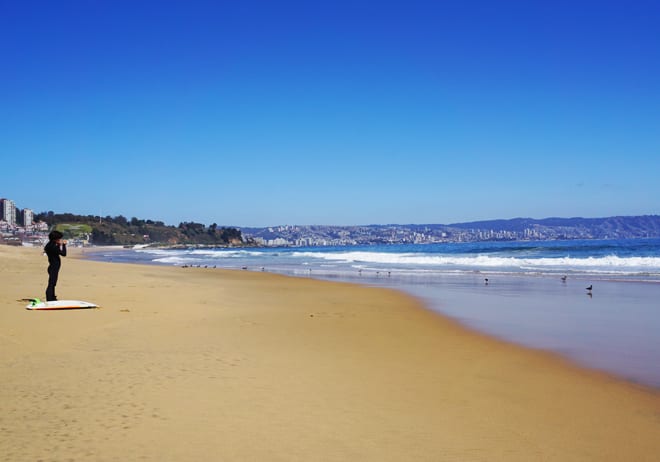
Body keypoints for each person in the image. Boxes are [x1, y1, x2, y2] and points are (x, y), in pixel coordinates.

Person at [44, 230, 67, 301]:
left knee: (53, 283)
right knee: (52, 283)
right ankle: (49, 298)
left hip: (52, 266)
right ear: (55, 239)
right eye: (59, 239)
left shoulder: (49, 245)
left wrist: (59, 245)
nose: (60, 240)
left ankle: (52, 297)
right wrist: (64, 245)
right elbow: (63, 254)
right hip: (54, 267)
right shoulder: (53, 246)